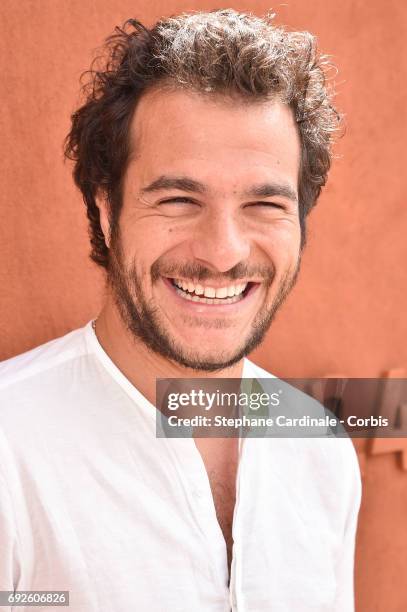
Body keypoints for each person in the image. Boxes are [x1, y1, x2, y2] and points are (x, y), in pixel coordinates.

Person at [0, 9, 361, 611]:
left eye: (264, 205)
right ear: (108, 211)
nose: (223, 252)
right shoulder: (9, 445)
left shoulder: (323, 448)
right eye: (177, 198)